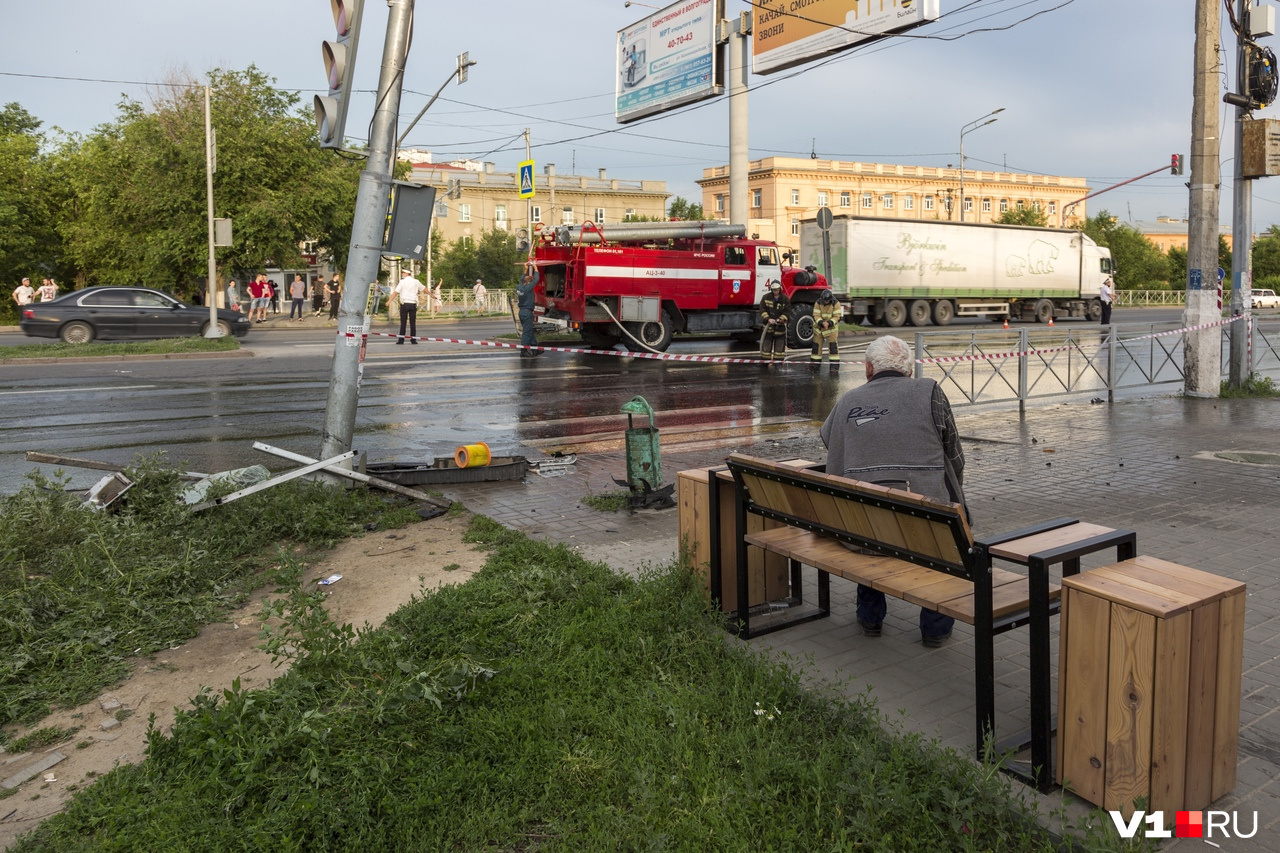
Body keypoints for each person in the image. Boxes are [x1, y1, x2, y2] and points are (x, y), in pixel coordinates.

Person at [819, 335, 966, 648]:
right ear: (910, 369)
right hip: (925, 528)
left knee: (868, 516)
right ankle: (935, 629)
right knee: (940, 537)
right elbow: (955, 456)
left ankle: (870, 618)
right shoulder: (930, 391)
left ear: (868, 369)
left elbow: (832, 443)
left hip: (862, 528)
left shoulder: (848, 400)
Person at [759, 279, 789, 363]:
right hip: (768, 329)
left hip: (780, 329)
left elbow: (787, 312)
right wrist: (768, 319)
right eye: (774, 290)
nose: (776, 292)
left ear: (780, 289)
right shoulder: (766, 298)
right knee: (765, 350)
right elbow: (762, 310)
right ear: (771, 290)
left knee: (779, 352)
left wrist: (781, 319)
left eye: (777, 290)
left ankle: (778, 365)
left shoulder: (785, 299)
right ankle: (764, 365)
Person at [391, 271, 425, 344]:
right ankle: (413, 340)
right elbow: (424, 288)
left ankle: (401, 340)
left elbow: (396, 292)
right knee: (413, 323)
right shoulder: (416, 281)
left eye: (403, 273)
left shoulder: (402, 282)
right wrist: (431, 294)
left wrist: (389, 300)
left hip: (404, 303)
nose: (402, 274)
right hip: (413, 304)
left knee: (403, 323)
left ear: (407, 274)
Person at [811, 289, 841, 364]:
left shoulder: (836, 303)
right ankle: (815, 366)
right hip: (819, 328)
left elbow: (837, 316)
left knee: (833, 348)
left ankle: (834, 367)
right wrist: (822, 323)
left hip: (831, 329)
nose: (826, 302)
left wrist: (829, 323)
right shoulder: (818, 303)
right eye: (824, 301)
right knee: (816, 348)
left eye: (827, 301)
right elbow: (816, 315)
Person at [516, 262, 540, 356]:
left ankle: (535, 348)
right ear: (528, 282)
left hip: (522, 312)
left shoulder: (519, 287)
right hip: (527, 312)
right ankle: (524, 350)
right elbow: (536, 279)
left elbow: (521, 279)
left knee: (528, 330)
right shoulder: (528, 288)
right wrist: (535, 267)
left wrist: (525, 269)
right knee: (527, 332)